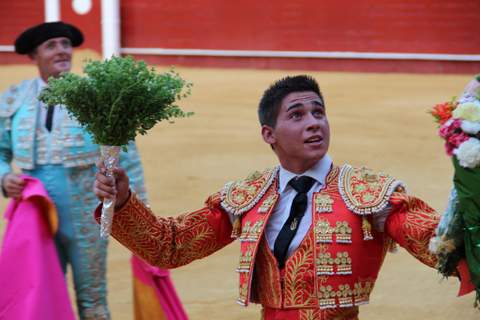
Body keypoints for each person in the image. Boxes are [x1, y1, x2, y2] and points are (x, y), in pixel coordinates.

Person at [94, 75, 446, 319]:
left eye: (318, 112)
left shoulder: (370, 194)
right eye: (297, 115)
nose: (314, 123)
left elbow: (438, 242)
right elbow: (170, 246)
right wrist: (124, 200)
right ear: (269, 134)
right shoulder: (249, 197)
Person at [0, 21, 149, 320]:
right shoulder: (14, 98)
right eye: (51, 45)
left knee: (93, 299)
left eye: (66, 44)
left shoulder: (98, 96)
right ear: (34, 56)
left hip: (86, 211)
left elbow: (127, 157)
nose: (62, 51)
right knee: (36, 293)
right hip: (34, 212)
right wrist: (4, 176)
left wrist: (140, 218)